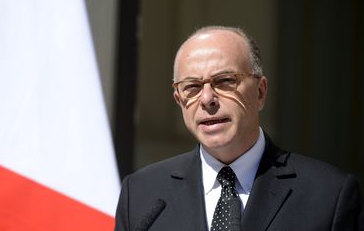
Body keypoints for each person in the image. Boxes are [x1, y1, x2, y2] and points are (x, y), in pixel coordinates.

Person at [114, 26, 363, 231]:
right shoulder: (141, 195)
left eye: (224, 81)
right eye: (192, 86)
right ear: (179, 100)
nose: (207, 99)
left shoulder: (329, 195)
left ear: (260, 92)